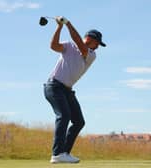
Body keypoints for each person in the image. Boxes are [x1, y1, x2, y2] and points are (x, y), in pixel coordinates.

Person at [44, 16, 106, 163]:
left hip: (66, 90)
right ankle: (57, 154)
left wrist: (68, 24)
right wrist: (59, 26)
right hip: (54, 86)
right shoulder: (68, 46)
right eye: (97, 43)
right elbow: (53, 46)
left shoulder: (91, 54)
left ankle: (64, 153)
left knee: (78, 121)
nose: (98, 47)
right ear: (90, 39)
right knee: (64, 116)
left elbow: (80, 44)